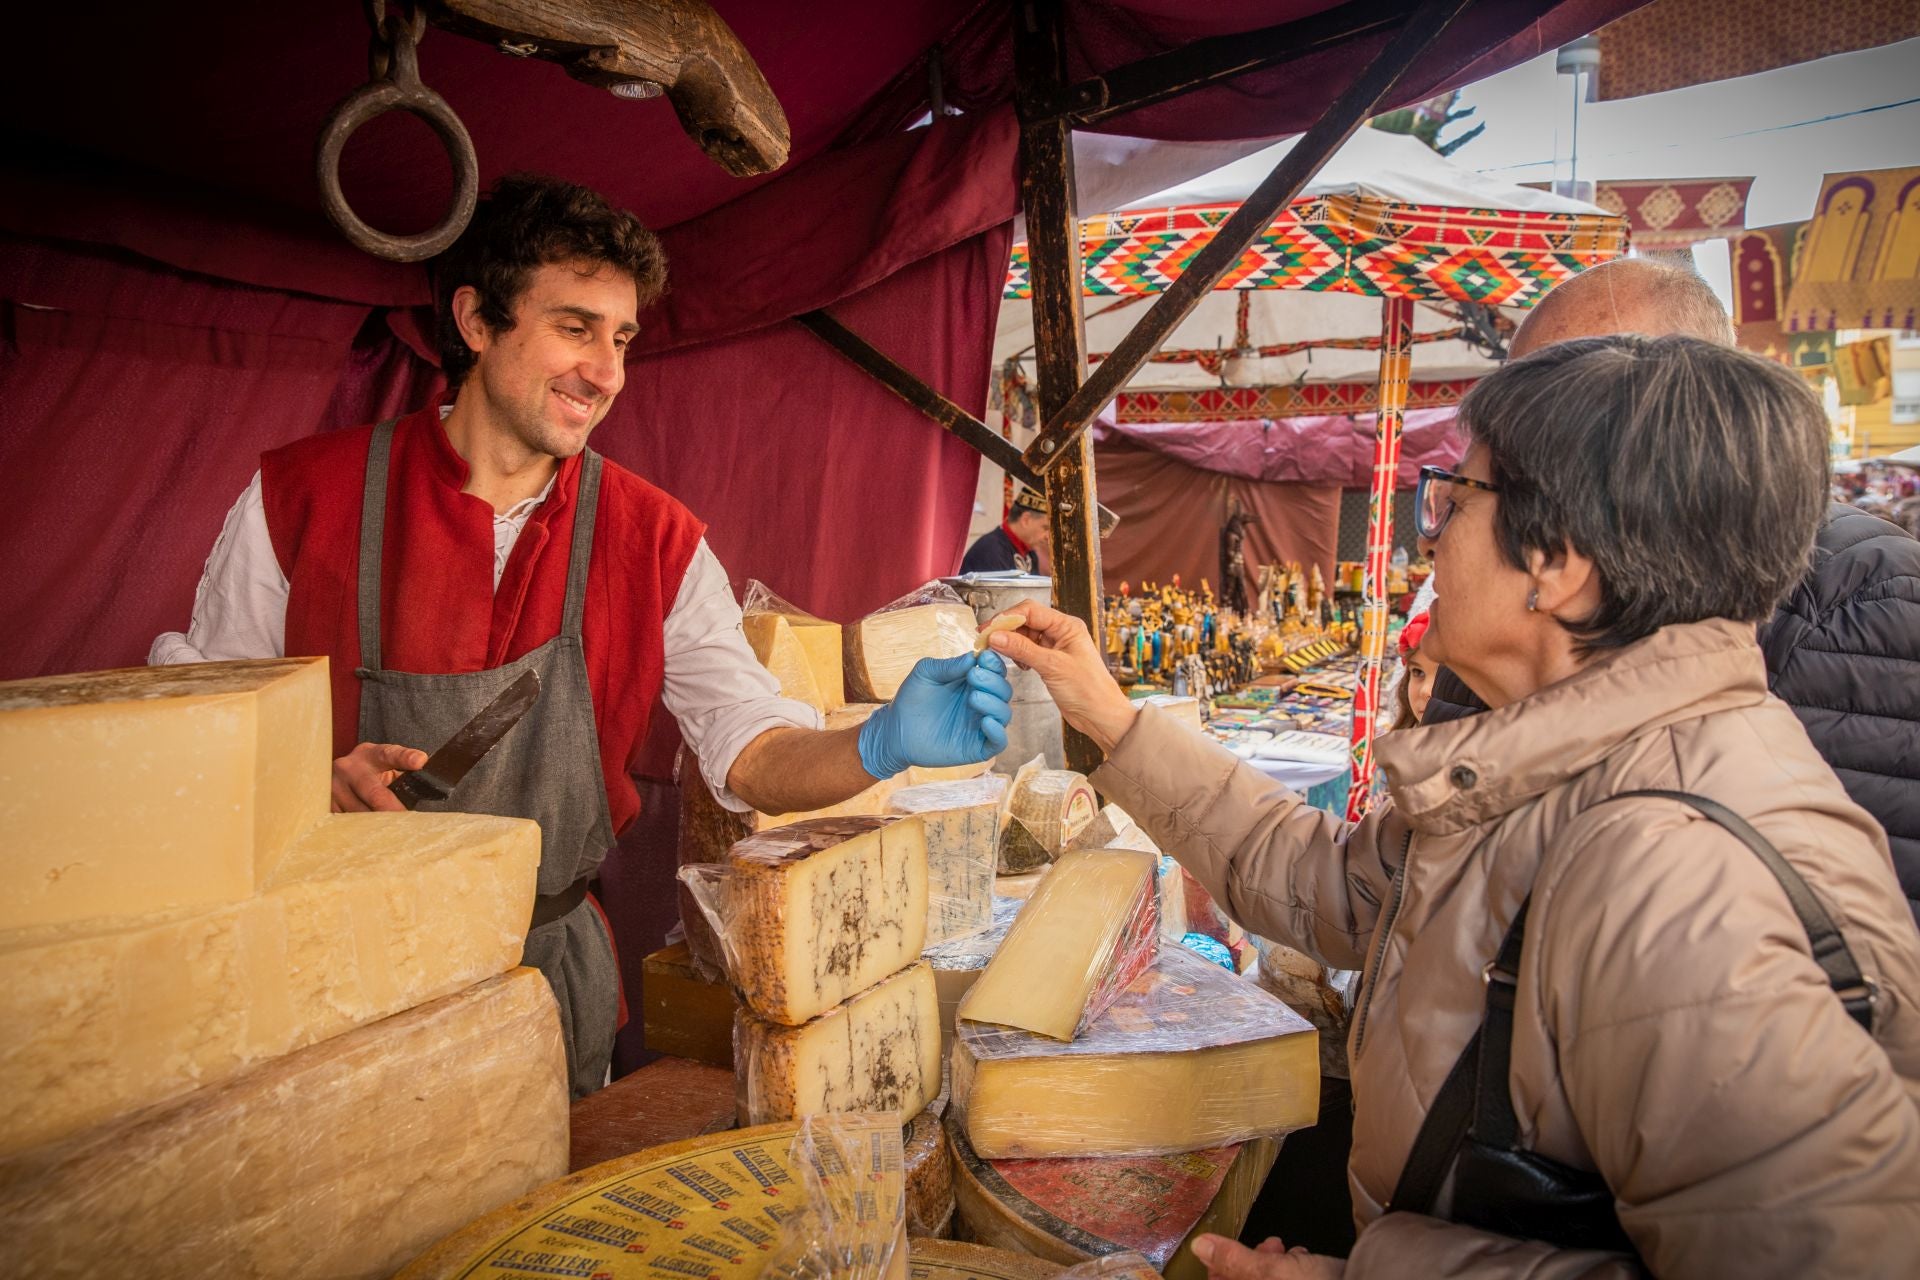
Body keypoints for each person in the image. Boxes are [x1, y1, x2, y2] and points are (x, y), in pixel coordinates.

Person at [989, 336, 1920, 1277]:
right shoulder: (1553, 767)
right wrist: (1108, 714)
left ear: (1558, 562)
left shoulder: (1676, 876)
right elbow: (1333, 886)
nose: (1429, 533)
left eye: (1457, 497)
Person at [151, 174, 1012, 1095]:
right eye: (574, 327)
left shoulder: (658, 540)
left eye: (622, 337)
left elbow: (752, 751)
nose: (606, 371)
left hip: (542, 985)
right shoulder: (299, 499)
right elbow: (202, 743)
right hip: (324, 975)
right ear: (477, 320)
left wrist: (878, 746)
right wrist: (295, 787)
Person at [1423, 258, 1920, 926]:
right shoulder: (1506, 585)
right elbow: (1423, 868)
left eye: (1571, 391)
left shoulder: (1867, 596)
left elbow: (1857, 929)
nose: (1524, 425)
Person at [959, 485, 1049, 574]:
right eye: (1045, 528)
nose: (1048, 536)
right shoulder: (991, 551)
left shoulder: (1030, 554)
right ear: (1026, 520)